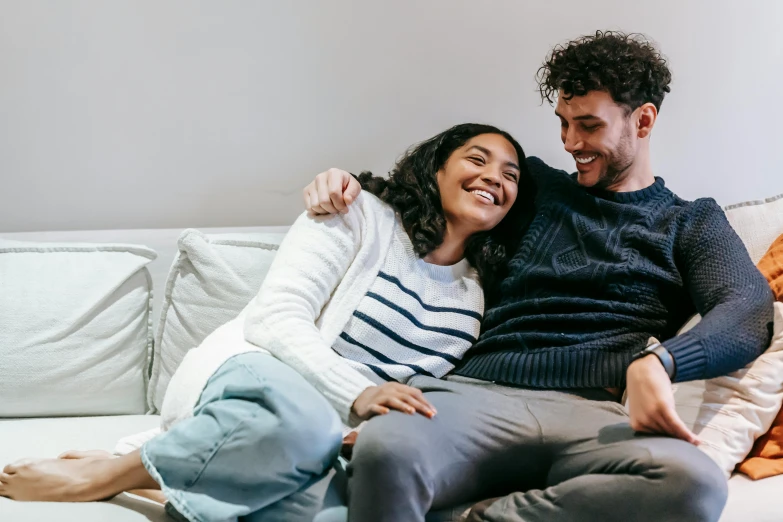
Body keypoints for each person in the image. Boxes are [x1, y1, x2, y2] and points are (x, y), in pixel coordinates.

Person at [302, 32, 775, 522]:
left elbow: (749, 308)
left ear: (644, 119)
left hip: (597, 416)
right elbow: (427, 194)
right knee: (385, 450)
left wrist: (660, 363)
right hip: (478, 394)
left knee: (693, 483)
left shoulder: (691, 222)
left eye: (588, 126)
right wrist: (346, 186)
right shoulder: (533, 186)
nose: (571, 143)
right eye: (564, 124)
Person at [0, 123, 532, 522]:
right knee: (305, 426)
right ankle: (106, 476)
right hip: (256, 372)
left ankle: (170, 487)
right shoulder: (357, 213)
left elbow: (415, 390)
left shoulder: (474, 297)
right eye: (477, 159)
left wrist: (367, 427)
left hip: (334, 436)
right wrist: (358, 394)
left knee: (341, 514)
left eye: (510, 175)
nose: (493, 178)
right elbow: (277, 319)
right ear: (436, 168)